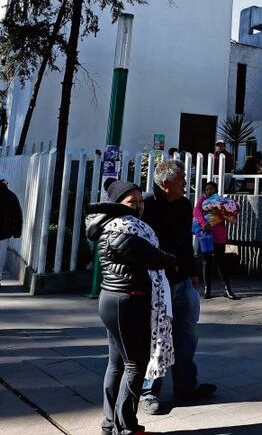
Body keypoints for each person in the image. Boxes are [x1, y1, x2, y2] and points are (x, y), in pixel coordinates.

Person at [86, 180, 176, 435]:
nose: (138, 206)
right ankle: (125, 427)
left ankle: (110, 424)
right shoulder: (123, 228)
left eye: (140, 201)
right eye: (131, 202)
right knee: (135, 365)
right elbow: (151, 256)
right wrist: (172, 260)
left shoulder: (111, 225)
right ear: (117, 205)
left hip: (115, 299)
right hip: (127, 300)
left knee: (117, 364)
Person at [140, 160, 217, 415]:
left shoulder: (184, 205)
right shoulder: (146, 205)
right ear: (166, 184)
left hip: (183, 280)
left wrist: (192, 272)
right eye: (182, 179)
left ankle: (186, 385)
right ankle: (149, 391)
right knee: (157, 338)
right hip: (157, 281)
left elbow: (185, 240)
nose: (186, 182)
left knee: (187, 335)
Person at [193, 181, 239, 300]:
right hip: (205, 236)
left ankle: (227, 289)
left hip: (219, 235)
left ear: (216, 190)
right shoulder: (202, 200)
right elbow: (196, 212)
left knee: (221, 262)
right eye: (207, 189)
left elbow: (230, 214)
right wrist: (203, 223)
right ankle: (207, 289)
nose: (208, 191)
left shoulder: (221, 201)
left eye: (211, 189)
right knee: (206, 262)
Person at [0, 179, 22, 285]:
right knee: (2, 252)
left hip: (5, 230)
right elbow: (18, 215)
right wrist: (17, 232)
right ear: (6, 183)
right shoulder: (11, 196)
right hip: (4, 231)